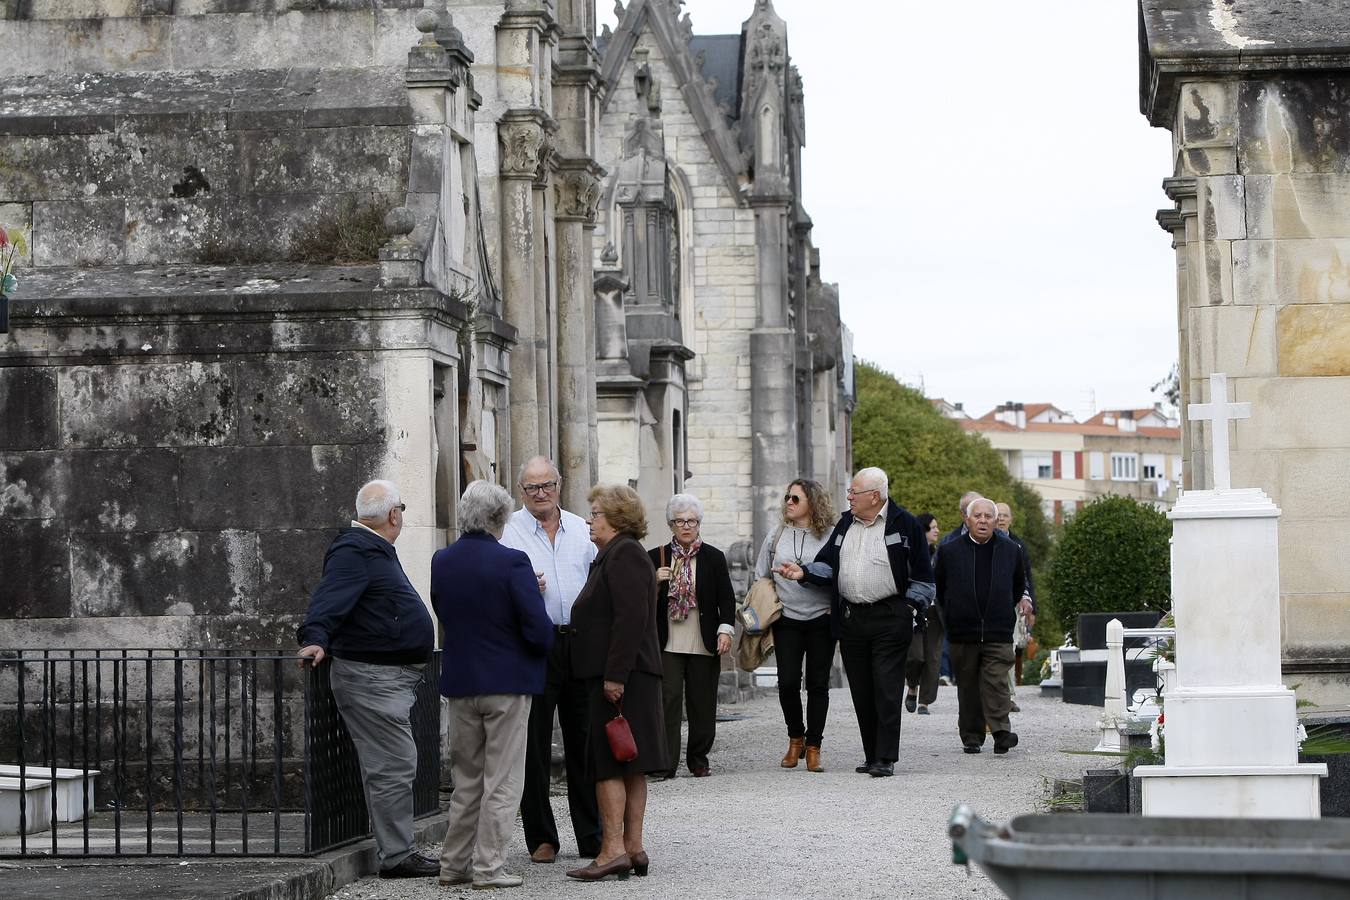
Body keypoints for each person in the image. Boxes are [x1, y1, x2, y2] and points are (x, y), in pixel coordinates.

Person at [297, 480, 438, 879]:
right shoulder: (356, 549)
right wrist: (314, 637)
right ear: (394, 515)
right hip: (373, 679)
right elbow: (329, 598)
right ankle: (397, 856)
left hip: (384, 678)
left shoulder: (369, 549)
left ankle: (397, 850)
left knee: (392, 763)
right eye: (403, 510)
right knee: (393, 765)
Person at [433, 481, 554, 890]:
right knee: (501, 780)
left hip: (462, 680)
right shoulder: (512, 562)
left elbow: (446, 611)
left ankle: (453, 865)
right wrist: (533, 598)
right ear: (500, 519)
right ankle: (488, 868)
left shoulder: (442, 561)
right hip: (506, 681)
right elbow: (537, 630)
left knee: (466, 779)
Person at [778, 467, 935, 778]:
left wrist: (909, 606)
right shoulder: (846, 523)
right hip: (852, 619)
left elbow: (923, 576)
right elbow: (827, 563)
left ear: (874, 496)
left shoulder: (905, 525)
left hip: (891, 617)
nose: (848, 496)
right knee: (862, 689)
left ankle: (886, 757)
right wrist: (804, 572)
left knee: (886, 688)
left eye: (854, 492)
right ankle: (871, 753)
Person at [500, 457, 602, 864]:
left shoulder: (583, 529)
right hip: (534, 645)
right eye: (531, 488)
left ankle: (591, 835)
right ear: (520, 492)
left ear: (559, 484)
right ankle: (541, 838)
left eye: (547, 485)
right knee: (534, 745)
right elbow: (496, 589)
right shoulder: (508, 532)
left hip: (578, 643)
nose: (540, 493)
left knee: (585, 742)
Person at [566, 485, 667, 881]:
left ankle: (612, 850)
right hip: (629, 675)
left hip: (622, 677)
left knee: (610, 763)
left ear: (616, 518)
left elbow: (630, 619)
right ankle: (633, 848)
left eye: (595, 513)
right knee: (630, 762)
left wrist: (614, 675)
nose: (590, 520)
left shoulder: (623, 554)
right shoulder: (619, 554)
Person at [755, 479, 837, 772]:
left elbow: (839, 574)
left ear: (812, 503)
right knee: (788, 682)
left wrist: (835, 604)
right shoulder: (776, 536)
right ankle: (795, 738)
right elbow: (761, 576)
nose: (788, 503)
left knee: (817, 684)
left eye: (795, 498)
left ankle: (814, 746)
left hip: (821, 619)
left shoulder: (831, 536)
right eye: (787, 497)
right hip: (787, 619)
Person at [650, 494, 736, 778]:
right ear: (671, 525)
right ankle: (665, 762)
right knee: (668, 701)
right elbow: (636, 598)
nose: (686, 526)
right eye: (679, 521)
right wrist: (654, 581)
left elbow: (727, 598)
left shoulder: (713, 557)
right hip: (668, 641)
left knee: (702, 703)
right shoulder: (655, 557)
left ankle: (698, 759)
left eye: (691, 521)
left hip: (703, 639)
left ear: (699, 524)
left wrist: (725, 630)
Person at [935, 497, 1029, 755]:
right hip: (963, 632)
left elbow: (1017, 586)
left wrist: (1001, 610)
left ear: (995, 521)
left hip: (998, 630)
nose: (984, 520)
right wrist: (953, 616)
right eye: (978, 516)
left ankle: (1001, 732)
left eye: (989, 516)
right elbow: (940, 589)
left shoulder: (1011, 550)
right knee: (968, 685)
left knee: (996, 680)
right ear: (967, 519)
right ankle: (972, 735)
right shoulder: (950, 551)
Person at [995, 501, 1037, 711]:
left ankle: (1008, 695)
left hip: (1011, 604)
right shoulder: (984, 542)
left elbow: (1026, 577)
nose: (1001, 518)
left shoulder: (1018, 545)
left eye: (1005, 515)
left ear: (1011, 519)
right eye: (998, 515)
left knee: (1009, 649)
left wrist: (1031, 605)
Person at [905, 512, 945, 715]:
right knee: (915, 656)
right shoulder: (911, 553)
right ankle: (912, 685)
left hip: (936, 612)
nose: (937, 530)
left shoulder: (940, 554)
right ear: (924, 529)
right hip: (916, 611)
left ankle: (925, 701)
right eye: (933, 526)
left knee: (933, 657)